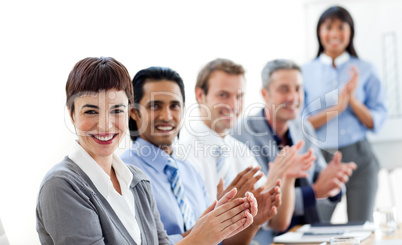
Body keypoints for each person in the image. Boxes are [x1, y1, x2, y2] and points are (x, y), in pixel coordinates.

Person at [36, 57, 258, 245]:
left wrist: (211, 227)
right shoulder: (62, 185)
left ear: (128, 112)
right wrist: (198, 239)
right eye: (91, 111)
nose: (105, 125)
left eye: (116, 110)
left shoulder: (137, 180)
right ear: (72, 114)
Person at [177, 58, 314, 244]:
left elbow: (276, 222)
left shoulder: (239, 150)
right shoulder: (182, 153)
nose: (234, 105)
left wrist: (286, 176)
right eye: (223, 95)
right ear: (200, 95)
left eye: (239, 96)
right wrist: (223, 212)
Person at [121, 66, 263, 245]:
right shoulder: (124, 173)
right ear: (134, 112)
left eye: (174, 106)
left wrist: (244, 219)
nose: (167, 116)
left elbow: (219, 243)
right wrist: (197, 234)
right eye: (155, 106)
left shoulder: (188, 171)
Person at [232, 59, 357, 231]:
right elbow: (262, 199)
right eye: (284, 89)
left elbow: (320, 178)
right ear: (265, 94)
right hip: (267, 236)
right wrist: (313, 193)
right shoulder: (243, 134)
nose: (293, 97)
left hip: (306, 229)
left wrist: (334, 183)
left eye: (298, 88)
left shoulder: (303, 126)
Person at [302, 6, 387, 222]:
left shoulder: (366, 69)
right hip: (321, 157)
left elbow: (375, 121)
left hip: (360, 156)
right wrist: (336, 109)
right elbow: (301, 124)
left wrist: (352, 101)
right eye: (328, 27)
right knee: (316, 224)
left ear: (350, 32)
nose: (334, 33)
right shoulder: (304, 72)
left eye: (341, 27)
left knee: (361, 226)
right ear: (319, 32)